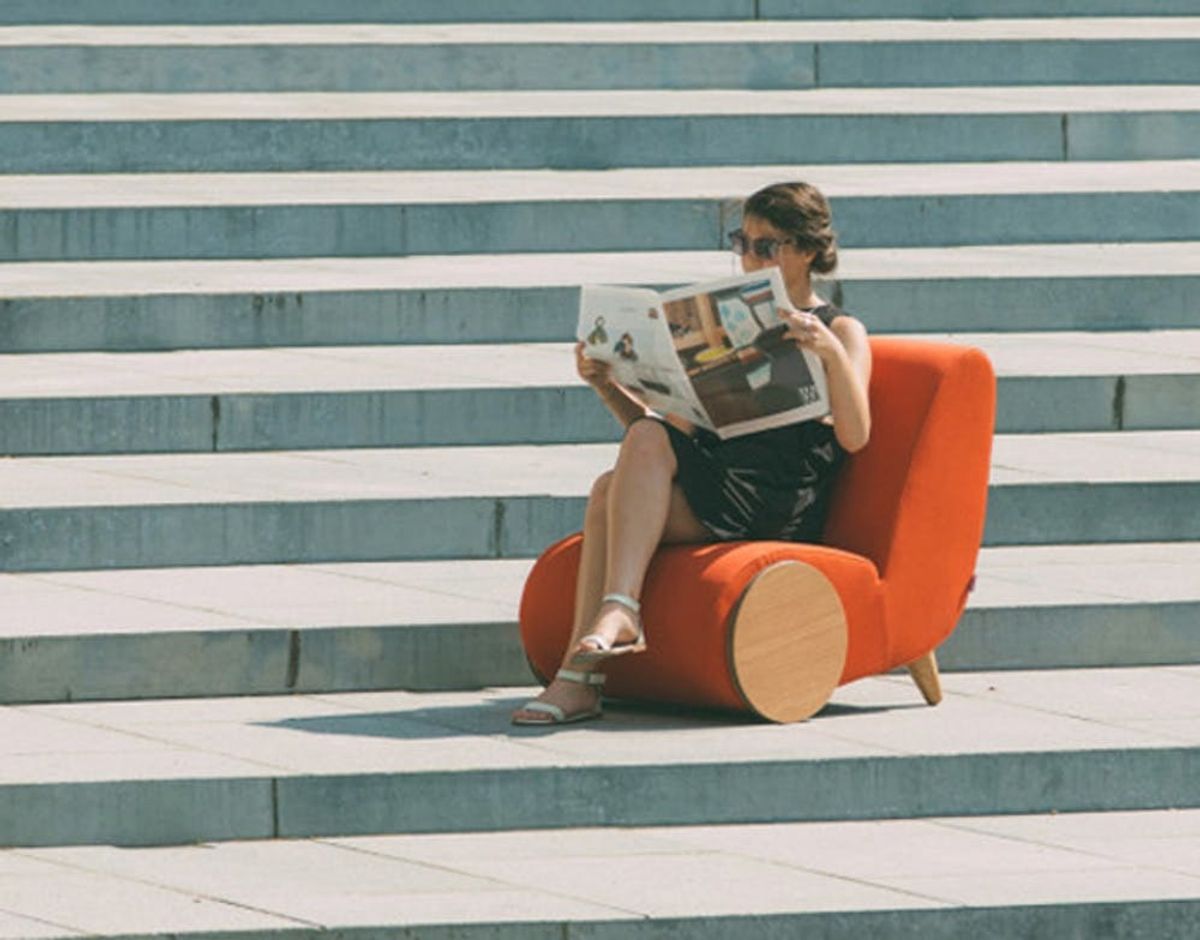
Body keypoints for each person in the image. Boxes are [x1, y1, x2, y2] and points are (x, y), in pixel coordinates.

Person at [512, 181, 872, 725]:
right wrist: (608, 385)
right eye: (742, 241)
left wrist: (828, 355)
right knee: (628, 464)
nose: (748, 256)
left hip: (773, 499)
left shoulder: (841, 329)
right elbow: (650, 441)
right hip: (718, 484)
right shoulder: (728, 320)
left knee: (611, 491)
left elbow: (855, 435)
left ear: (805, 251)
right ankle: (616, 616)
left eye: (765, 246)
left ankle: (580, 677)